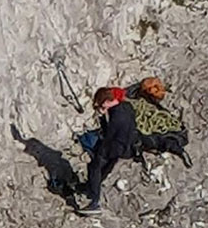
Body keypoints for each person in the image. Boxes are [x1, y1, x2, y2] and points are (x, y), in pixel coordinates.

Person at [79, 86, 137, 216]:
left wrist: (102, 117)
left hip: (113, 146)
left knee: (95, 167)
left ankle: (94, 202)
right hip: (126, 147)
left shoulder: (115, 115)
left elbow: (109, 134)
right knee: (106, 168)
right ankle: (93, 187)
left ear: (105, 102)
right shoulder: (127, 106)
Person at [126, 76, 191, 167]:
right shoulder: (138, 97)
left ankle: (179, 151)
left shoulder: (144, 96)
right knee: (158, 138)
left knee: (163, 135)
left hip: (156, 126)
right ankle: (179, 151)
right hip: (150, 130)